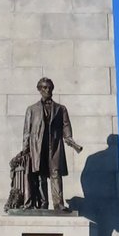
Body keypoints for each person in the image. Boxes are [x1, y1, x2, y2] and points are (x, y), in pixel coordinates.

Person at [19, 77, 82, 210]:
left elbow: (66, 125)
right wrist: (25, 149)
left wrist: (69, 138)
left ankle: (58, 204)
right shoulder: (31, 109)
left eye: (50, 87)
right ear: (39, 90)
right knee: (41, 175)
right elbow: (27, 131)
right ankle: (43, 204)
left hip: (55, 146)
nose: (48, 90)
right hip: (37, 146)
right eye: (44, 87)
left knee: (55, 174)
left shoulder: (60, 109)